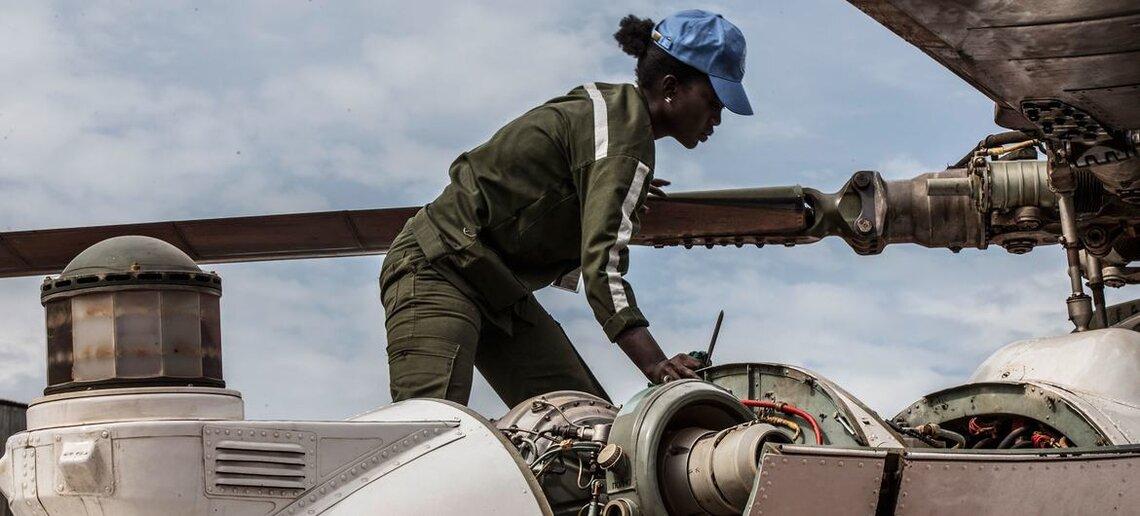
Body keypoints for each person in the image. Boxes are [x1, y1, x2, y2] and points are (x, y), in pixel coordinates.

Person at [380, 10, 753, 407]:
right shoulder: (621, 143)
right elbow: (602, 268)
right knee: (432, 434)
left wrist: (605, 187)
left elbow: (567, 175)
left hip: (498, 287)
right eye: (712, 101)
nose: (717, 117)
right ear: (671, 87)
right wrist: (658, 365)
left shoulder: (612, 118)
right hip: (439, 267)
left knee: (583, 432)